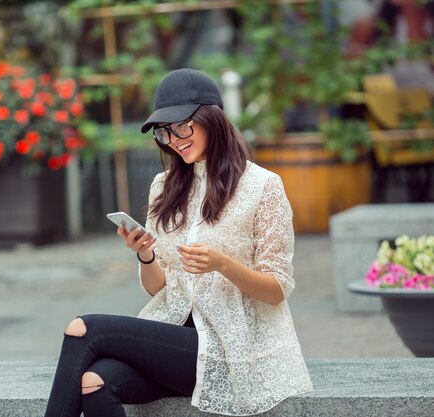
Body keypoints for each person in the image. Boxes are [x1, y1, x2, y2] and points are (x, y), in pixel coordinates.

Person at [43, 68, 313, 417]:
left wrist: (223, 264)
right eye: (164, 131)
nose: (173, 139)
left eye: (182, 126)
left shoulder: (263, 187)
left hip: (231, 346)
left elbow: (276, 289)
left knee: (84, 329)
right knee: (94, 381)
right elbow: (159, 290)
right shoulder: (164, 186)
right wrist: (145, 255)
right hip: (172, 336)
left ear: (211, 117)